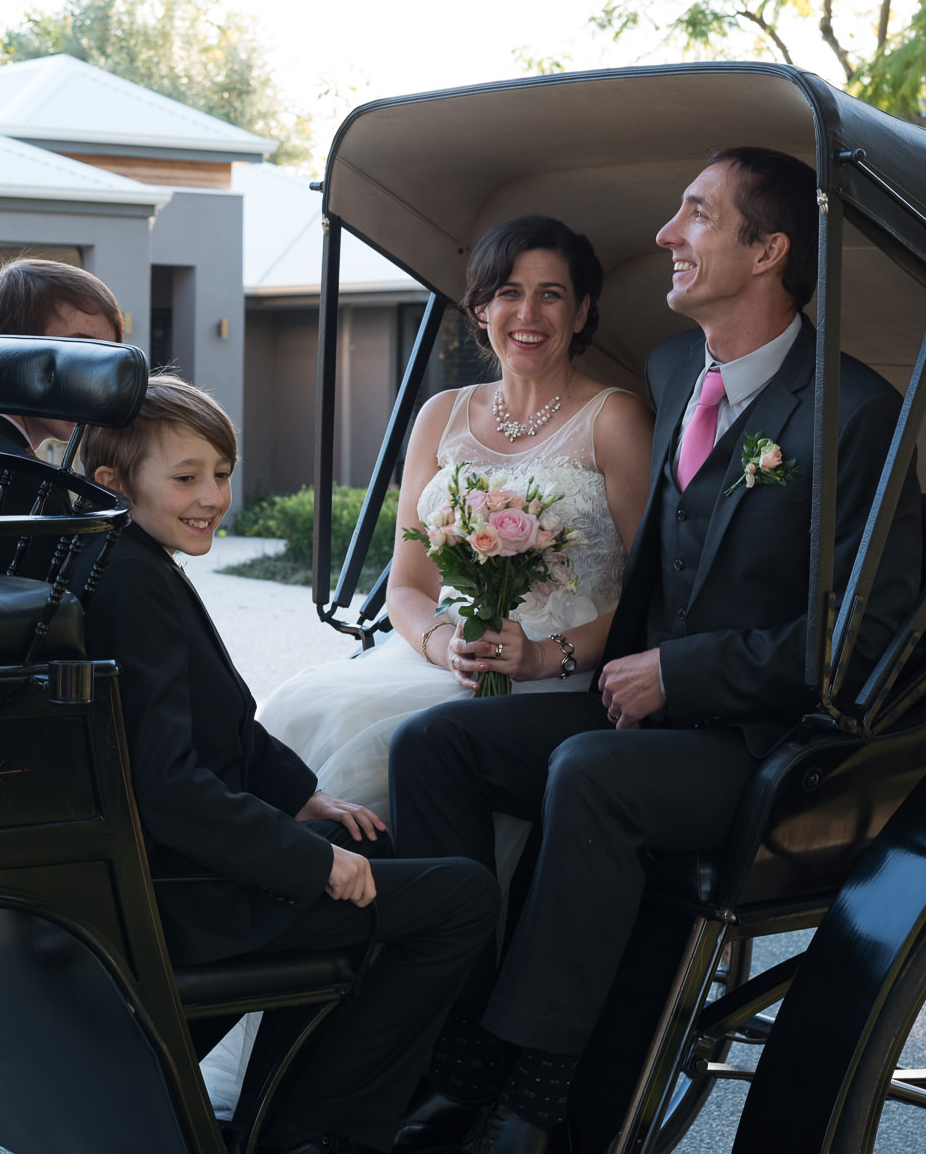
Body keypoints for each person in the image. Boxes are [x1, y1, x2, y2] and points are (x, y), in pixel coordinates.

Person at [387, 148, 923, 1153]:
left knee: (589, 771)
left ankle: (532, 1096)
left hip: (770, 740)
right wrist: (550, 655)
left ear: (766, 250)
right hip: (642, 712)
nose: (664, 236)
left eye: (693, 215)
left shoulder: (855, 413)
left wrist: (680, 671)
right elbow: (647, 570)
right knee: (437, 742)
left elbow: (866, 634)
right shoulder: (677, 371)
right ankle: (446, 1044)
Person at [82, 375, 498, 1154]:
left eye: (221, 472)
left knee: (385, 851)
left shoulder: (127, 559)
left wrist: (304, 798)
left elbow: (223, 722)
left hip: (181, 867)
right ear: (113, 481)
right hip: (181, 890)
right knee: (464, 897)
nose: (213, 496)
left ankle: (281, 1117)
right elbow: (167, 784)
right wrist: (310, 861)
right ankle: (313, 1131)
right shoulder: (132, 586)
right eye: (185, 477)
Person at [259, 215, 652, 828]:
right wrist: (447, 647)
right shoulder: (441, 415)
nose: (528, 314)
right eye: (508, 293)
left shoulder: (616, 419)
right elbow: (408, 586)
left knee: (372, 739)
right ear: (479, 310)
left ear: (580, 313)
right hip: (445, 658)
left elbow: (651, 591)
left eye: (551, 294)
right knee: (298, 710)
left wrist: (543, 657)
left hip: (560, 672)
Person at [0, 257, 124, 458]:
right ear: (1, 352)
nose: (95, 379)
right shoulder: (30, 481)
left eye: (106, 362)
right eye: (80, 353)